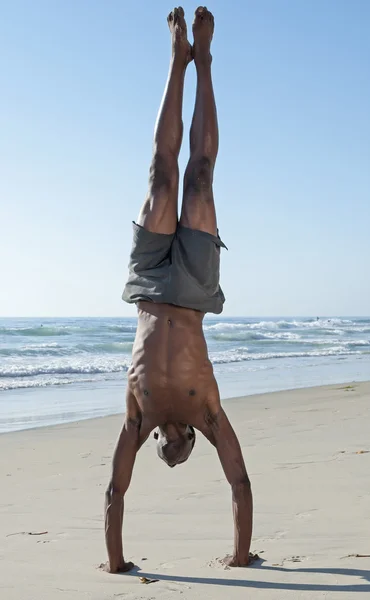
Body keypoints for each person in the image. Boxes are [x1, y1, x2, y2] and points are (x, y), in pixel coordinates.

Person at [102, 6, 255, 574]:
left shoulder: (137, 420)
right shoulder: (209, 415)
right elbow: (239, 480)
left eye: (165, 455)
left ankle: (176, 62)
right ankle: (202, 62)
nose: (170, 454)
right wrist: (241, 556)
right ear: (190, 442)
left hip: (147, 284)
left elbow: (115, 491)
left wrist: (115, 564)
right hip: (192, 288)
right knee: (198, 177)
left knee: (160, 175)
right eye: (179, 453)